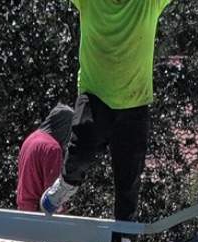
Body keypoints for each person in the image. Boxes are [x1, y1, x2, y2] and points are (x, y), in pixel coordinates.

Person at [66, 0, 171, 224]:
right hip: (95, 95)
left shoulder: (148, 3)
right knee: (81, 149)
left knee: (129, 179)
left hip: (134, 104)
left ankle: (123, 239)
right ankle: (67, 183)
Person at [18, 104, 76, 214]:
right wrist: (63, 210)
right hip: (39, 216)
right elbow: (52, 195)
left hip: (23, 210)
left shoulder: (31, 138)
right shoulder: (52, 148)